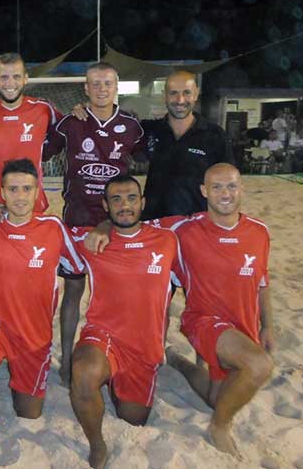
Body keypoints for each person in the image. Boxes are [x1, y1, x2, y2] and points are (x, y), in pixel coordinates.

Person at [67, 175, 181, 469]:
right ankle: (97, 444)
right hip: (103, 335)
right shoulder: (91, 241)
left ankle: (117, 380)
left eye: (131, 198)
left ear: (143, 203)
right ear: (105, 205)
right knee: (83, 374)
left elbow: (211, 223)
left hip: (144, 348)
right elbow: (39, 230)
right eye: (116, 199)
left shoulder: (169, 238)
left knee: (133, 418)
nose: (124, 205)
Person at [0, 159, 84, 420]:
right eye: (13, 189)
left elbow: (77, 267)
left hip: (34, 333)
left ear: (37, 191)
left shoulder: (53, 228)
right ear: (2, 192)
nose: (20, 196)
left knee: (29, 413)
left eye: (27, 189)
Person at [43, 62, 144, 387]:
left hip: (114, 227)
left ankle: (117, 356)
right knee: (72, 291)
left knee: (114, 296)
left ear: (117, 87)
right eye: (95, 84)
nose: (102, 89)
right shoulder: (71, 123)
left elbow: (153, 158)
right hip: (75, 221)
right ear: (85, 89)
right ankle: (66, 361)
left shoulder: (131, 126)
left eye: (108, 83)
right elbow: (38, 150)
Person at [163, 163, 274, 458]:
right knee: (259, 365)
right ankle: (219, 427)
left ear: (242, 188)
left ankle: (179, 362)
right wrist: (103, 228)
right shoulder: (183, 229)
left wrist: (268, 325)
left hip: (243, 325)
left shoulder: (259, 231)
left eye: (231, 186)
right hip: (204, 320)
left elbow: (262, 282)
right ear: (204, 191)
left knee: (218, 397)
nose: (225, 193)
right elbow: (133, 224)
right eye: (217, 187)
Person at [0, 52, 61, 218]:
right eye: (4, 77)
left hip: (33, 207)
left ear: (25, 78)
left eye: (16, 76)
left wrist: (84, 109)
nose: (10, 83)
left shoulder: (43, 109)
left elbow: (71, 130)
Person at [140, 71, 234, 219]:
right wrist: (89, 113)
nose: (180, 100)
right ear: (164, 95)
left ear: (196, 94)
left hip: (197, 226)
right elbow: (113, 126)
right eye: (173, 93)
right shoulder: (149, 130)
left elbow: (228, 184)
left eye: (187, 92)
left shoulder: (215, 135)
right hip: (155, 225)